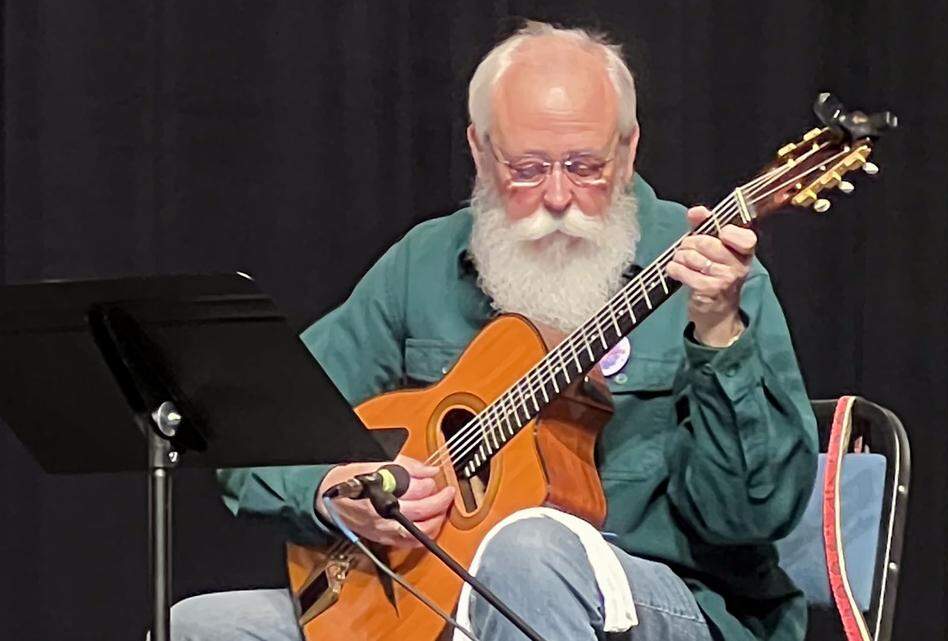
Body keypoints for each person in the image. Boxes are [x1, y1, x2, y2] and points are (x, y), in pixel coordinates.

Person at [171, 20, 818, 641]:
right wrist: (331, 493)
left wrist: (719, 335)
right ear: (480, 151)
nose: (559, 197)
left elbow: (752, 517)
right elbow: (259, 419)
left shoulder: (707, 274)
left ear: (627, 152)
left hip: (669, 601)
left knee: (528, 551)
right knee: (197, 626)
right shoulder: (423, 265)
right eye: (528, 169)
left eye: (586, 167)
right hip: (437, 596)